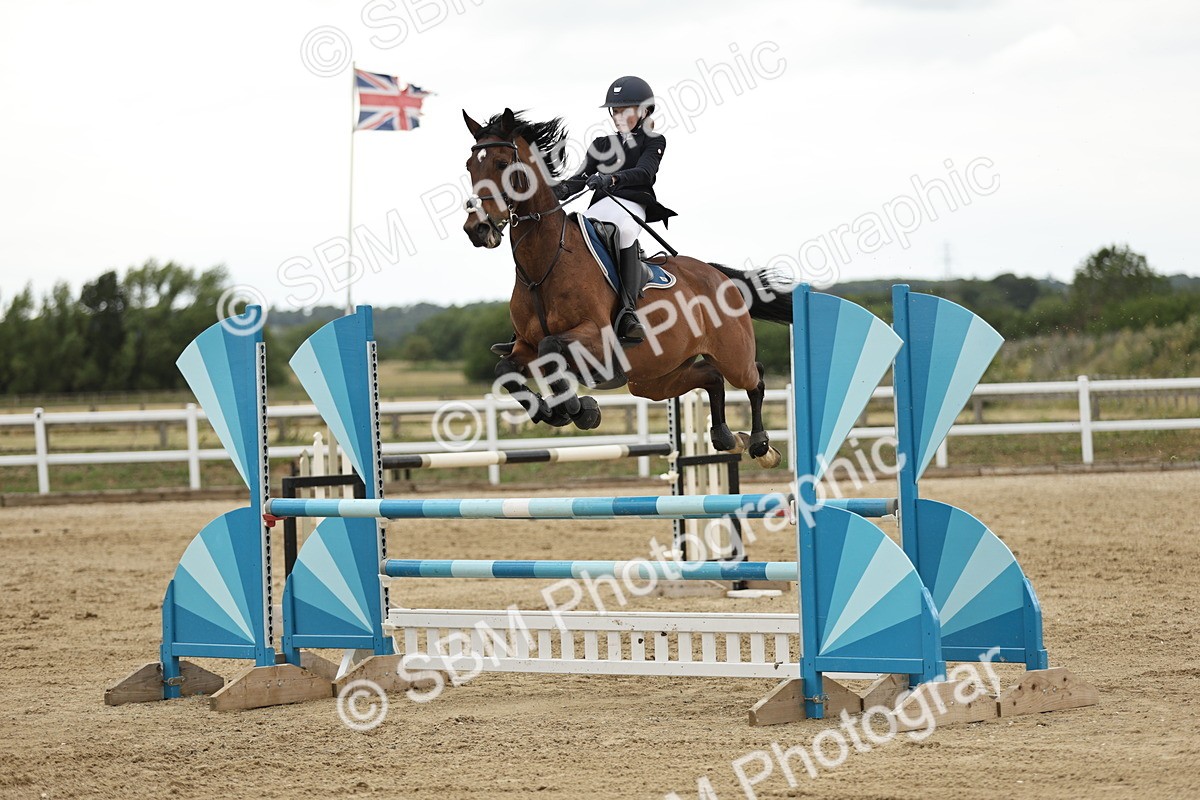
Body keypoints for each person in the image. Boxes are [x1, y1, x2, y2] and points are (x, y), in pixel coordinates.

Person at [492, 76, 676, 355]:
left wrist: (611, 179)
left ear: (644, 111)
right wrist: (563, 188)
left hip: (632, 205)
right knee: (574, 234)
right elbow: (582, 176)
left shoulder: (653, 141)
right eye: (615, 111)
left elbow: (645, 173)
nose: (618, 116)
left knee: (624, 233)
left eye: (625, 110)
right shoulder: (602, 144)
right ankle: (531, 323)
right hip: (601, 204)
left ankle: (627, 312)